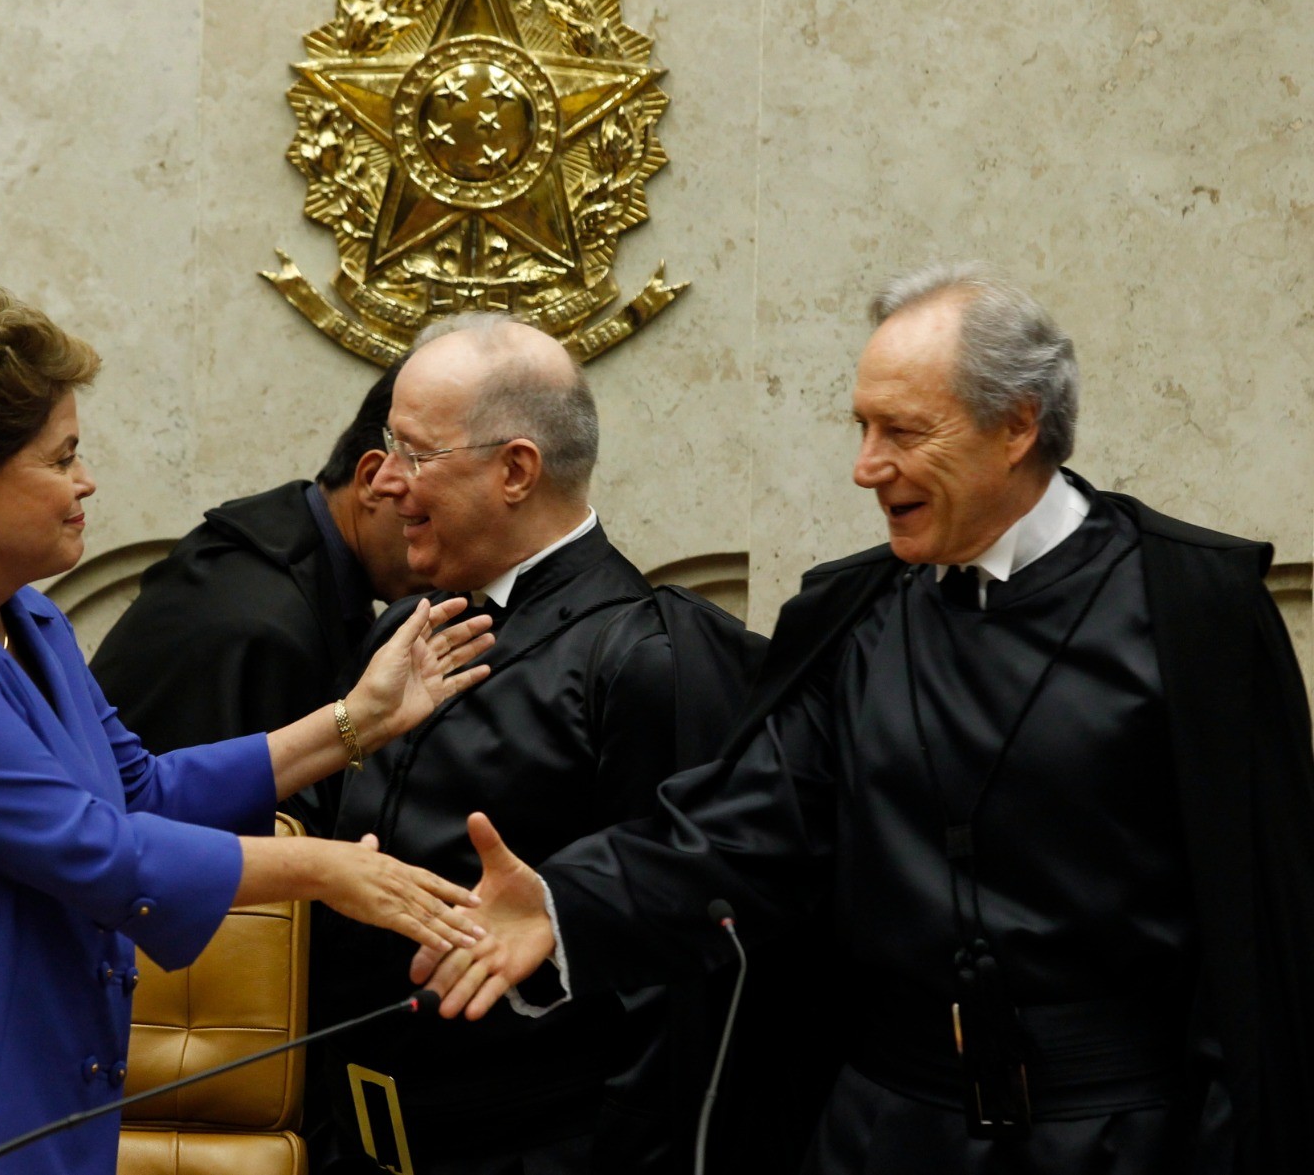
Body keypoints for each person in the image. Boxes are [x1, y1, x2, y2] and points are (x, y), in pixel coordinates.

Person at [417, 264, 1314, 1174]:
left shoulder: (1194, 609)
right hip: (885, 1131)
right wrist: (569, 904)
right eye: (862, 428)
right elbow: (745, 830)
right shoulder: (851, 615)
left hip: (1117, 1136)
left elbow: (1268, 929)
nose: (865, 467)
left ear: (1017, 426)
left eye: (903, 432)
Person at [0, 284, 496, 1175]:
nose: (86, 482)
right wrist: (323, 867)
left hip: (0, 1087)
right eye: (62, 457)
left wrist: (359, 719)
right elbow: (89, 845)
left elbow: (140, 791)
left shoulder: (29, 620)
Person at [310, 313, 765, 1175]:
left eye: (416, 454)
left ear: (516, 469)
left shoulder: (642, 657)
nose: (386, 485)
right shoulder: (404, 630)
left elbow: (674, 976)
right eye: (387, 447)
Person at [91, 362, 424, 765]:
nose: (439, 553)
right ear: (374, 479)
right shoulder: (265, 624)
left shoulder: (295, 552)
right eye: (426, 517)